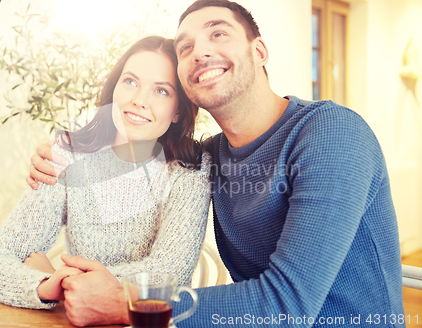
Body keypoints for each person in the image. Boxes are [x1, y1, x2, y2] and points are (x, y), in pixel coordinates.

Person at [28, 1, 405, 327]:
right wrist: (66, 153)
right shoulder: (208, 157)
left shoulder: (331, 133)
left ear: (259, 52)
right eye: (185, 47)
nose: (199, 52)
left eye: (218, 34)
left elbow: (286, 307)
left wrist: (130, 304)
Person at [0, 35, 212, 324]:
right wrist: (43, 286)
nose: (139, 100)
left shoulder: (190, 170)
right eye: (131, 82)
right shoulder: (67, 155)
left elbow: (170, 276)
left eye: (161, 91)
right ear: (115, 89)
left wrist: (62, 278)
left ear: (178, 110)